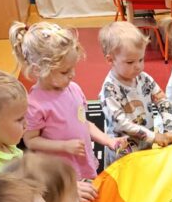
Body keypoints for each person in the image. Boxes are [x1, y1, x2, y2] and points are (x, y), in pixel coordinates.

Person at [10, 22, 123, 187]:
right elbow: (31, 141)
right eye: (64, 71)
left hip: (81, 161)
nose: (72, 74)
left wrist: (109, 141)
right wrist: (64, 146)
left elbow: (84, 123)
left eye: (72, 68)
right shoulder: (35, 104)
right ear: (38, 70)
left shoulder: (74, 89)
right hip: (60, 171)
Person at [98, 21, 172, 167]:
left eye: (141, 59)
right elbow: (122, 124)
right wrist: (154, 136)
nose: (138, 66)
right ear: (110, 60)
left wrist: (169, 128)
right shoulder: (109, 90)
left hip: (145, 147)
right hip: (122, 156)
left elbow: (162, 100)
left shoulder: (143, 78)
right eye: (130, 62)